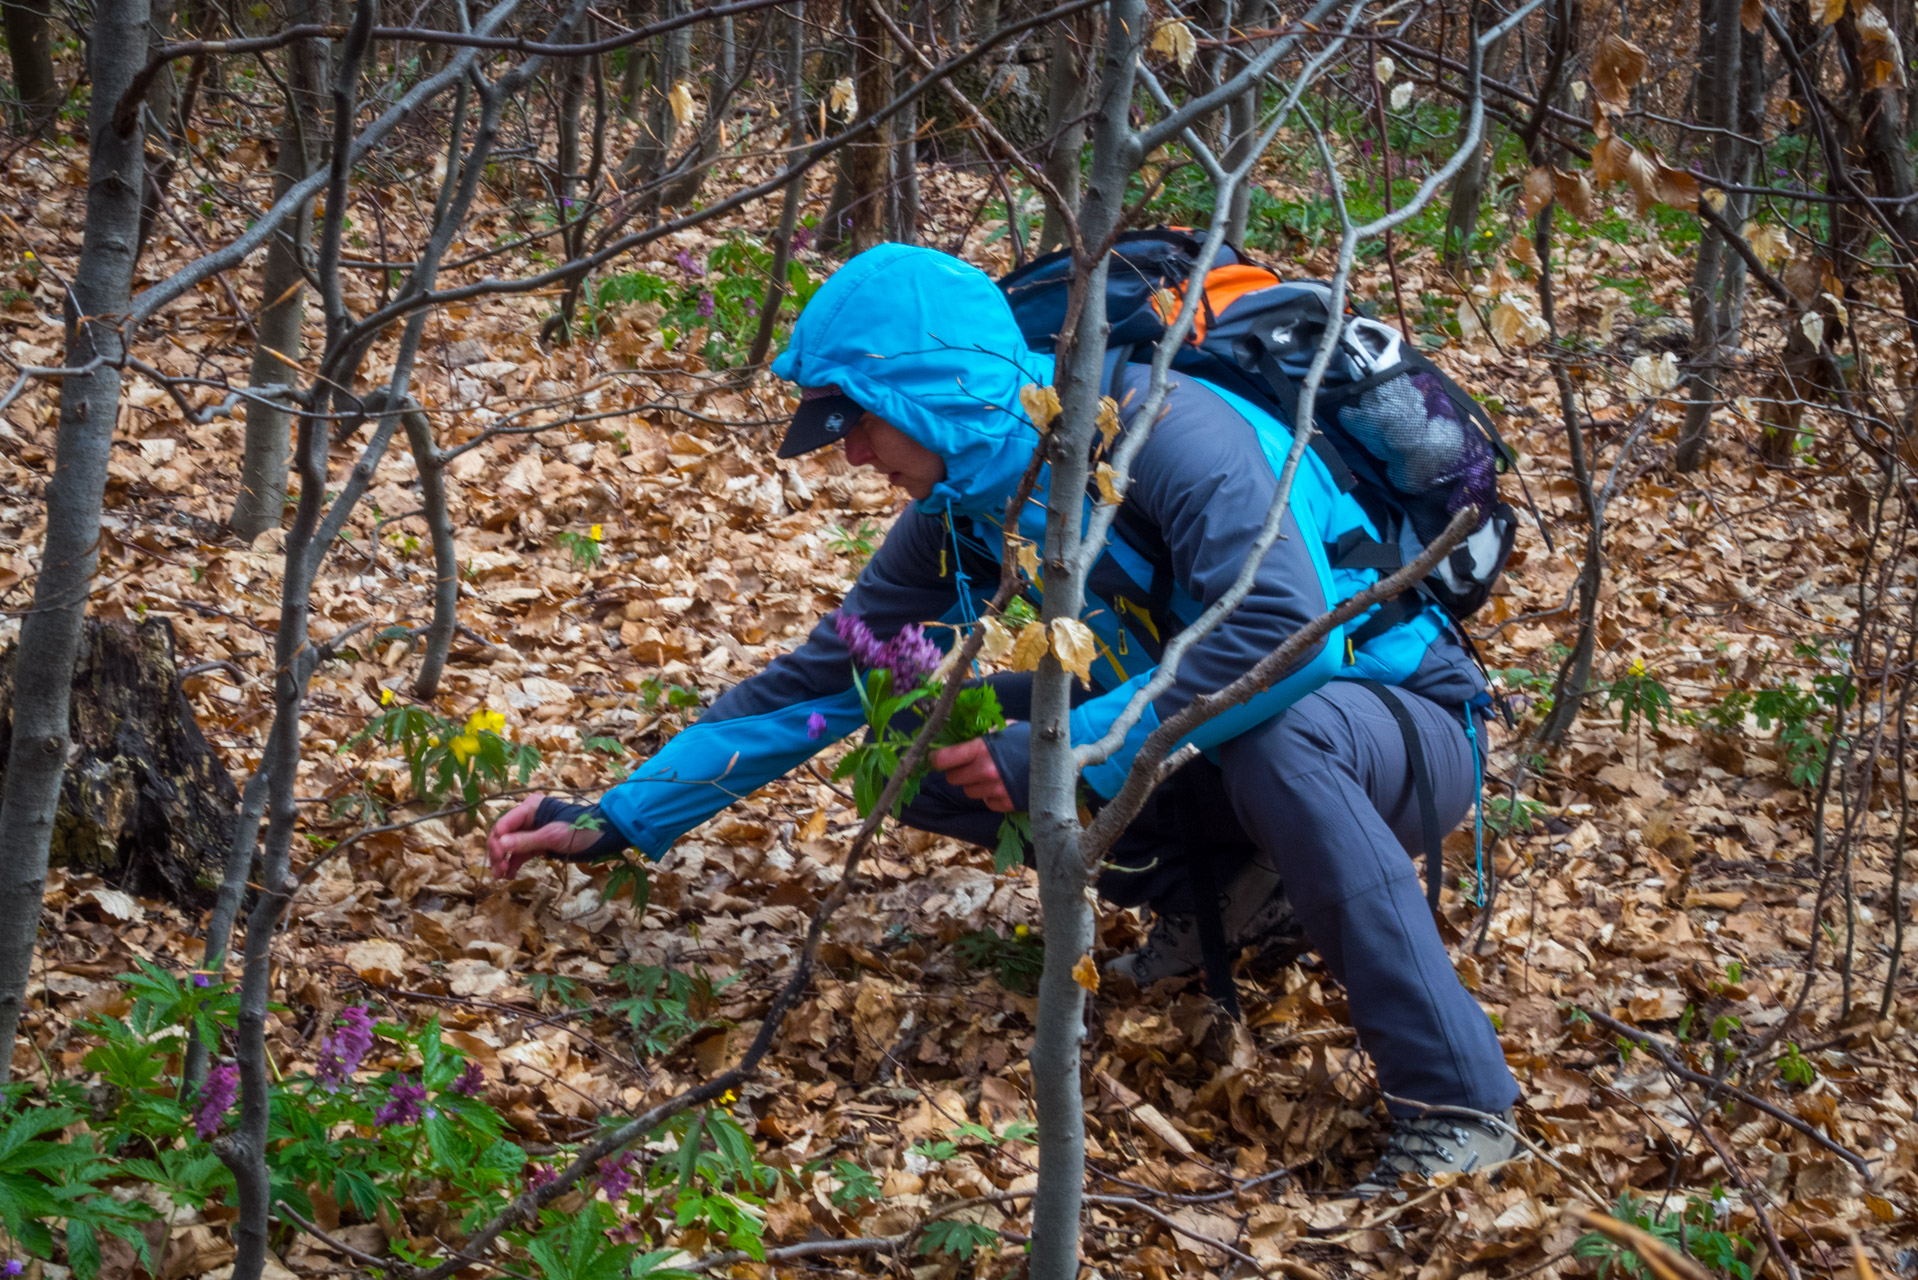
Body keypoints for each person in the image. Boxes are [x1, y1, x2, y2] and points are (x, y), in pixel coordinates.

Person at [487, 244, 1521, 1195]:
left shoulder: (1167, 429)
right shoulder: (970, 498)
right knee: (911, 732)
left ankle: (1459, 1101)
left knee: (1275, 738)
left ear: (924, 391)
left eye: (854, 419)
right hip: (1214, 737)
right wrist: (622, 816)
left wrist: (1065, 754)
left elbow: (1286, 632)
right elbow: (827, 681)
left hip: (1400, 724)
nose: (849, 456)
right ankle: (1242, 891)